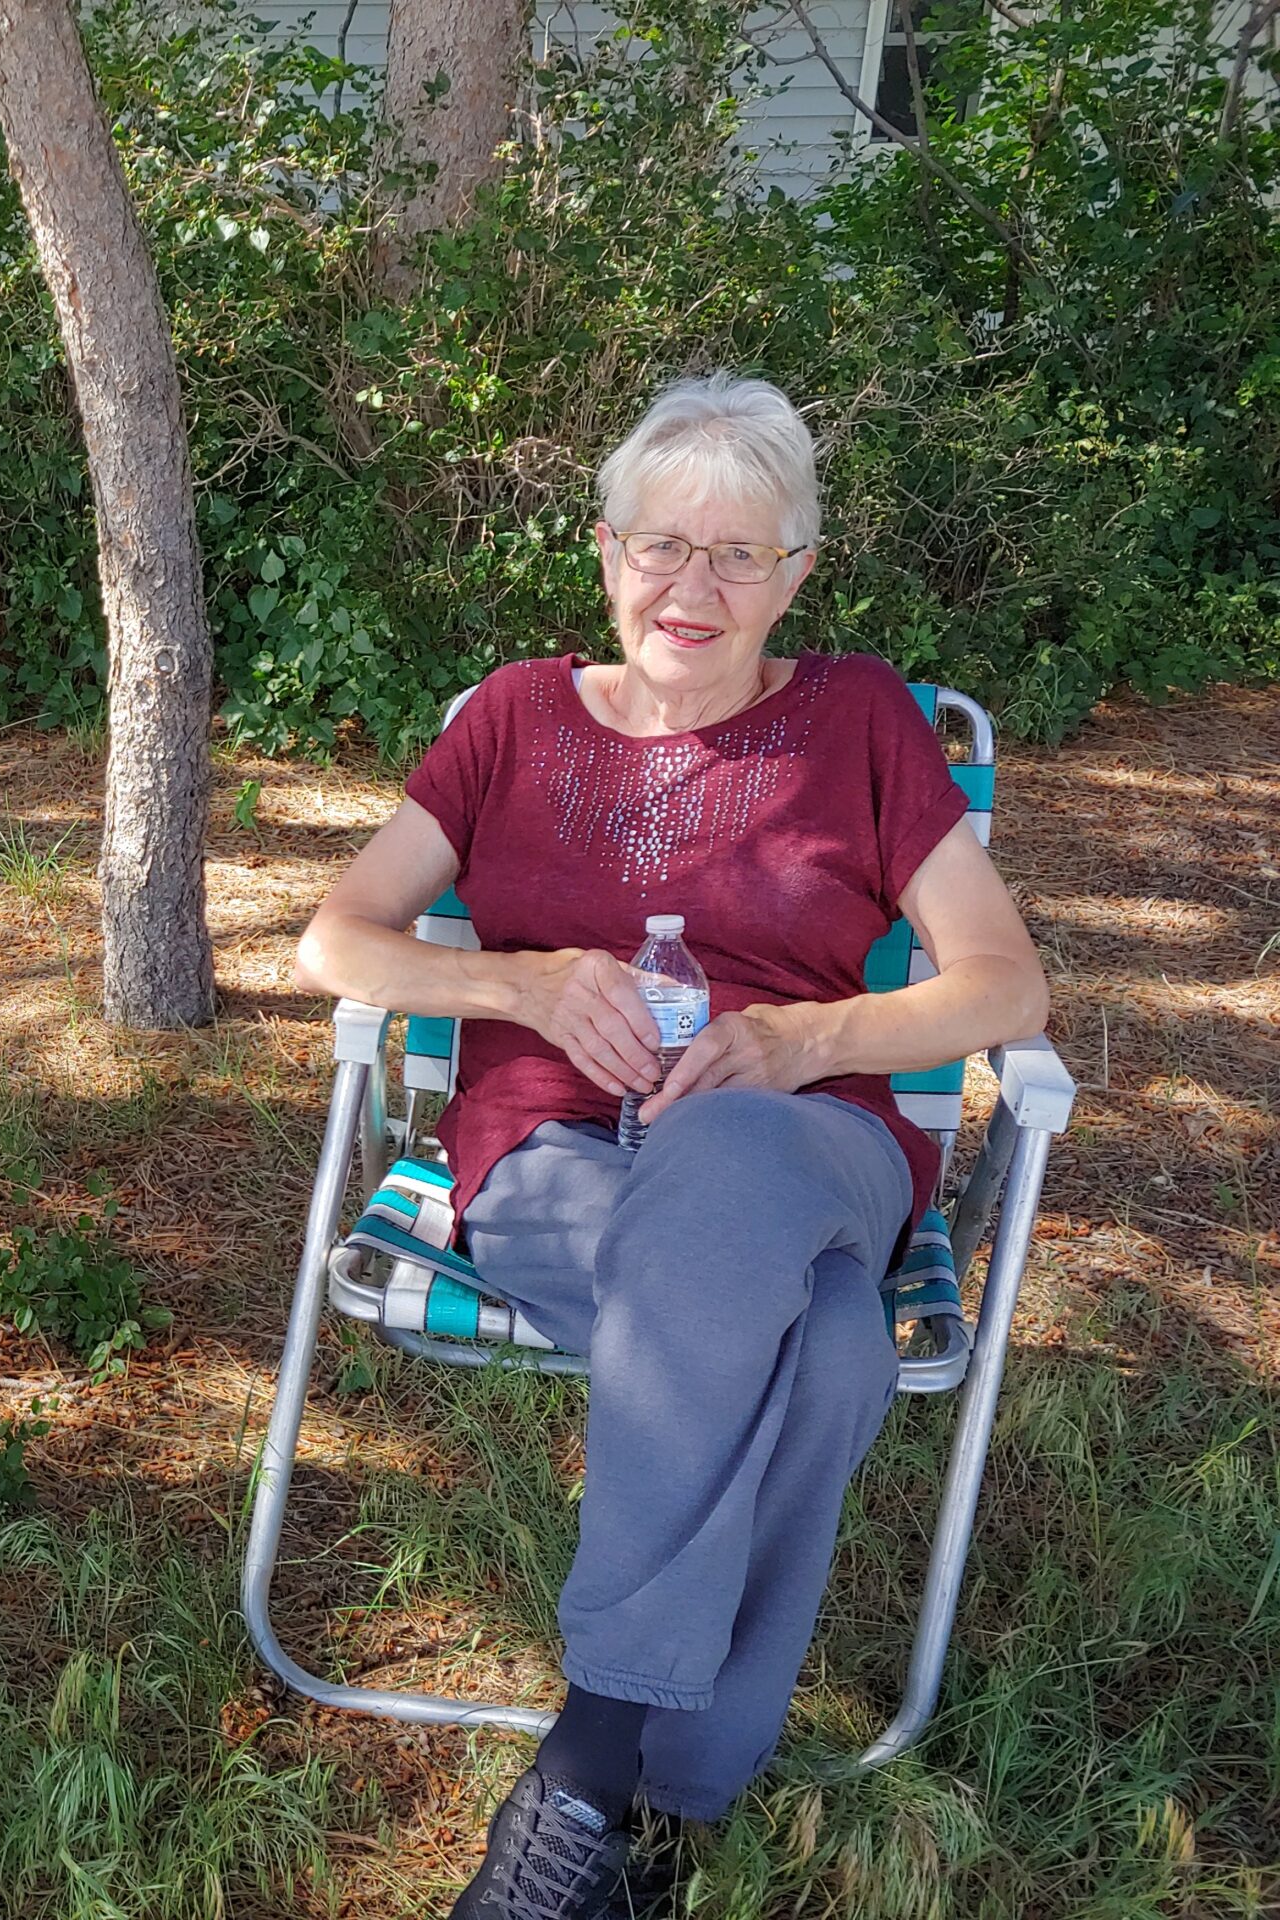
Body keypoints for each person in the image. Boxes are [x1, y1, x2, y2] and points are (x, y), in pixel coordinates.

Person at [293, 373, 1048, 1920]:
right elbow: (335, 938)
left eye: (740, 555)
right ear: (603, 549)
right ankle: (670, 1796)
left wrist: (804, 1039)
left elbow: (1004, 983)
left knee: (721, 1164)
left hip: (803, 1142)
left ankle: (578, 1776)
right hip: (550, 1157)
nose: (691, 587)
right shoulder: (512, 720)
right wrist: (514, 985)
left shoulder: (859, 721)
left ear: (797, 576)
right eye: (662, 546)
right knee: (828, 1348)